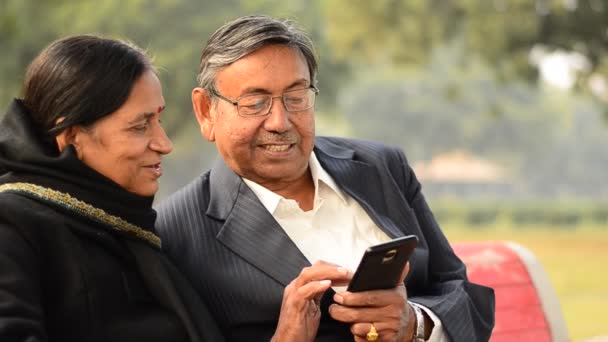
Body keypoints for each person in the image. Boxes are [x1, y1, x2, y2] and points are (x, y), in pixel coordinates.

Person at [156, 15, 495, 342]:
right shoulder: (174, 233)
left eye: (296, 97)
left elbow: (457, 289)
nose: (280, 121)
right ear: (206, 112)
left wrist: (414, 324)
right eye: (255, 102)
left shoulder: (380, 166)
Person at [0, 35, 224, 341]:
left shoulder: (121, 223)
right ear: (73, 137)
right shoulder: (12, 224)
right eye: (139, 126)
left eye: (158, 120)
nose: (164, 144)